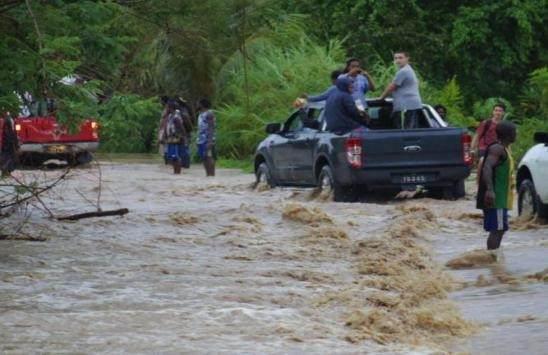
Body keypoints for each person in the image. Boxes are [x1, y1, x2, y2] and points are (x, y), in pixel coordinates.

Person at [476, 121, 517, 250]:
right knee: (497, 230)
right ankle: (491, 261)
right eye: (515, 132)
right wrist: (490, 190)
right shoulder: (497, 149)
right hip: (496, 198)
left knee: (500, 229)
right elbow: (487, 167)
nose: (516, 135)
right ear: (508, 135)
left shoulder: (504, 149)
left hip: (501, 198)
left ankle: (493, 260)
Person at [379, 51, 423, 129]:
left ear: (407, 59)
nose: (398, 60)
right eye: (395, 58)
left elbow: (392, 86)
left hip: (406, 105)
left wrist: (381, 97)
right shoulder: (408, 69)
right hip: (410, 104)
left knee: (405, 130)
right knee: (410, 128)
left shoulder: (404, 71)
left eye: (400, 58)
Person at [164, 100, 187, 174]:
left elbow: (182, 128)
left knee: (176, 157)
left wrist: (183, 138)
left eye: (167, 107)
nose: (166, 109)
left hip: (176, 139)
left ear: (170, 108)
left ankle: (178, 172)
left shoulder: (176, 117)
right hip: (171, 139)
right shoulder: (170, 116)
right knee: (173, 157)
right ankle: (175, 172)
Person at [196, 98, 216, 177]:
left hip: (207, 139)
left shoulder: (209, 114)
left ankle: (212, 175)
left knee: (209, 157)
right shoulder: (201, 114)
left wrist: (210, 141)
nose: (197, 105)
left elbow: (211, 128)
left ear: (202, 104)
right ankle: (208, 175)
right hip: (201, 140)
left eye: (198, 103)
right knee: (204, 158)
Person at [1, 112, 19, 177]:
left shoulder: (10, 121)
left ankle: (7, 172)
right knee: (8, 158)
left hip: (8, 143)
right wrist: (13, 142)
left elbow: (14, 132)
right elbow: (9, 133)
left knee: (8, 158)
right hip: (8, 144)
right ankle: (5, 172)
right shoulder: (8, 121)